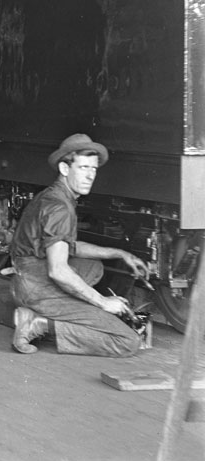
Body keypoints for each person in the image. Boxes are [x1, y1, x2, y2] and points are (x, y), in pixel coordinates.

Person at [9, 134, 150, 357]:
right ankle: (38, 323)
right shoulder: (60, 208)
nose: (90, 175)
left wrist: (119, 253)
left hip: (26, 278)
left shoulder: (53, 195)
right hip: (37, 288)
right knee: (127, 341)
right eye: (83, 167)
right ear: (65, 168)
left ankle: (57, 310)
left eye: (93, 169)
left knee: (94, 267)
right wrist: (103, 302)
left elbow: (69, 247)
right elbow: (58, 271)